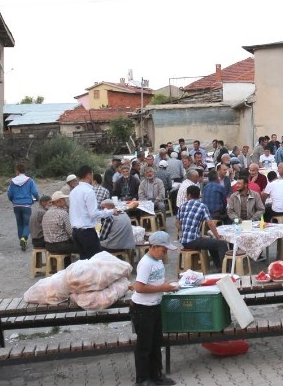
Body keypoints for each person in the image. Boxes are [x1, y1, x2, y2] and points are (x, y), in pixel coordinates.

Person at [130, 230, 179, 386]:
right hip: (142, 309)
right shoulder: (145, 263)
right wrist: (163, 288)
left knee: (156, 342)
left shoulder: (158, 261)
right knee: (144, 346)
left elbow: (158, 281)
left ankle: (156, 375)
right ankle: (143, 379)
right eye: (163, 250)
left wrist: (168, 285)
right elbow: (139, 287)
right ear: (154, 247)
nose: (164, 254)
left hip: (155, 306)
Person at [69, 165, 118, 259]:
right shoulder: (88, 191)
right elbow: (93, 214)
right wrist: (111, 211)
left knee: (84, 260)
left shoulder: (73, 191)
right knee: (94, 261)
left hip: (76, 232)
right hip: (86, 231)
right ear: (89, 175)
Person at [176, 185, 228, 270]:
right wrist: (217, 236)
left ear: (189, 195)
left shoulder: (182, 206)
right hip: (194, 240)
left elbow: (176, 223)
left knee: (211, 242)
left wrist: (184, 229)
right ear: (199, 195)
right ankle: (225, 269)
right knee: (221, 243)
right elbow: (210, 223)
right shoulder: (202, 206)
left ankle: (219, 267)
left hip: (184, 241)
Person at [7, 163, 40, 251]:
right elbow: (35, 192)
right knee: (27, 223)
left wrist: (12, 200)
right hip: (26, 205)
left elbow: (10, 193)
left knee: (19, 223)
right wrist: (37, 198)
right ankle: (24, 238)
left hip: (16, 205)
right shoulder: (29, 180)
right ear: (24, 171)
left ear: (17, 171)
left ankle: (21, 239)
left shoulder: (12, 181)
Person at [42, 191, 79, 255]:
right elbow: (71, 232)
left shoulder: (46, 213)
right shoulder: (63, 213)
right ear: (58, 201)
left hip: (48, 245)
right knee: (85, 247)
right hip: (61, 245)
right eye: (63, 200)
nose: (65, 201)